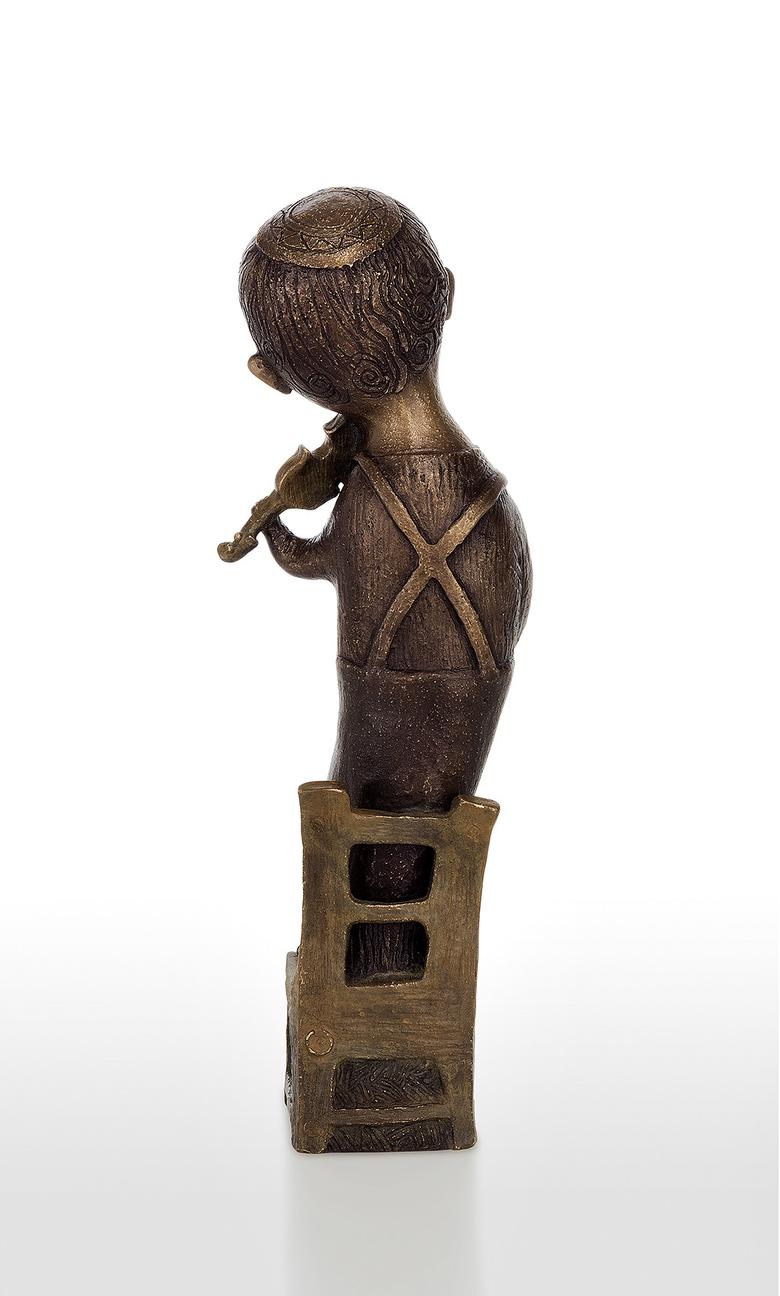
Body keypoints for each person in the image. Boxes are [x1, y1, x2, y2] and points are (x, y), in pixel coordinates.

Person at [240, 187, 532, 979]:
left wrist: (278, 531)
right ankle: (402, 983)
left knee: (373, 837)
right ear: (446, 295)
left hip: (378, 694)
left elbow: (325, 559)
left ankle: (373, 977)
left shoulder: (374, 493)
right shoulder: (482, 491)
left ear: (282, 377)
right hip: (472, 690)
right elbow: (512, 588)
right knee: (426, 827)